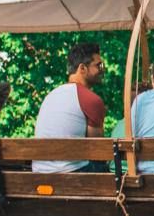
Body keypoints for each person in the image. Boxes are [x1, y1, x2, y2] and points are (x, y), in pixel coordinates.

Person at [32, 42, 107, 173]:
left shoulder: (51, 95)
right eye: (98, 65)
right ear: (82, 68)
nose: (103, 69)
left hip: (39, 172)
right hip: (71, 173)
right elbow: (98, 151)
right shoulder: (91, 100)